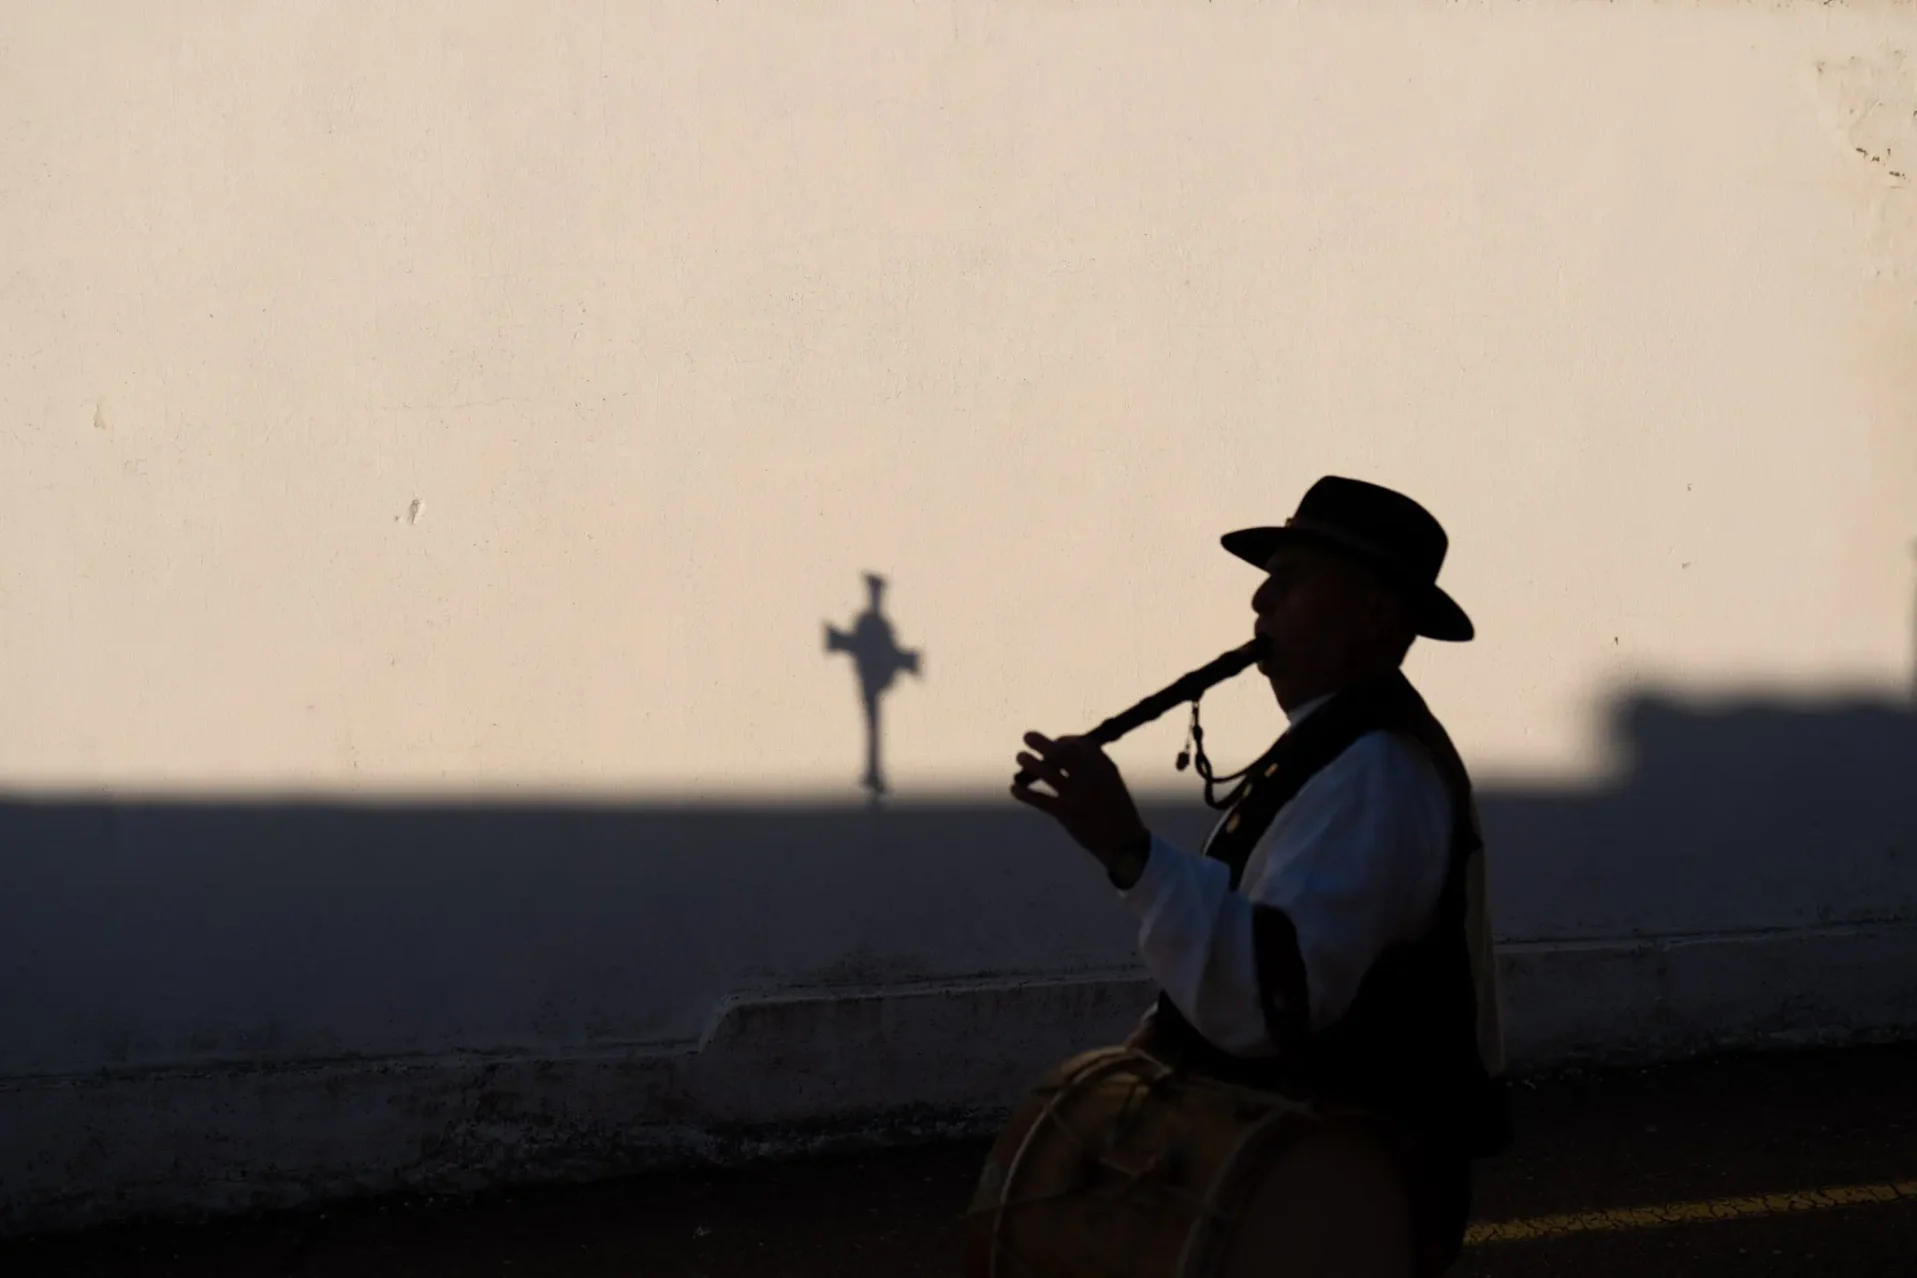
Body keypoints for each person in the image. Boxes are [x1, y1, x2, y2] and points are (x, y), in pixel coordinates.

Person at [1010, 476, 1510, 1274]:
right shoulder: (1340, 749)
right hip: (1305, 1187)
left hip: (1337, 1206)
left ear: (1377, 615)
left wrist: (1130, 853)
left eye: (1291, 577)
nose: (1260, 602)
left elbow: (1272, 999)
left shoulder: (1374, 771)